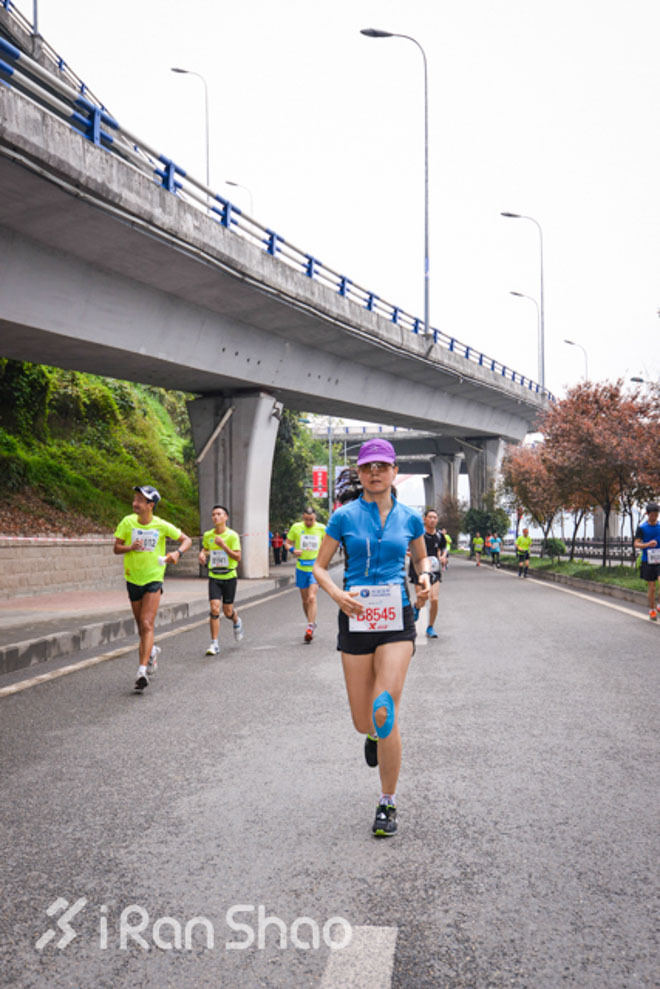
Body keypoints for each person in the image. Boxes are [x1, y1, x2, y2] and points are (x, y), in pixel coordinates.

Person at [313, 439, 431, 838]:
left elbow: (419, 558)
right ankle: (371, 734)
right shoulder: (344, 517)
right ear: (360, 473)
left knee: (385, 708)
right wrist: (336, 594)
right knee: (364, 719)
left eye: (382, 466)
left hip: (397, 619)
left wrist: (425, 579)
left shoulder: (410, 518)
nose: (375, 472)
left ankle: (387, 802)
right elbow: (319, 566)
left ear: (395, 471)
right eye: (367, 467)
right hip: (356, 620)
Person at [114, 485, 192, 690]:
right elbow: (116, 547)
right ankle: (152, 652)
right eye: (135, 498)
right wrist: (130, 547)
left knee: (147, 623)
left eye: (140, 500)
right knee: (141, 626)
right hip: (133, 579)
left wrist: (177, 554)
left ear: (151, 505)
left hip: (154, 579)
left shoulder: (161, 525)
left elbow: (186, 540)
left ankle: (141, 670)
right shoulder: (127, 522)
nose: (135, 503)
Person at [198, 504, 244, 654]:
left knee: (228, 611)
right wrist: (202, 553)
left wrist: (223, 545)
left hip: (229, 576)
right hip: (214, 576)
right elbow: (205, 548)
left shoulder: (232, 536)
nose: (215, 517)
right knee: (214, 607)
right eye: (213, 515)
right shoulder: (208, 535)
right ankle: (214, 643)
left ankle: (236, 620)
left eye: (219, 514)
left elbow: (238, 557)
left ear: (226, 517)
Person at [286, 507, 326, 642]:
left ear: (315, 518)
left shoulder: (321, 528)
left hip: (315, 567)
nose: (308, 522)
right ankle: (311, 621)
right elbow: (287, 543)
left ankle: (309, 627)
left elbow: (327, 545)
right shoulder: (296, 527)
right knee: (305, 600)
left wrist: (323, 560)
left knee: (312, 597)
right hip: (301, 567)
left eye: (311, 520)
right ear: (303, 518)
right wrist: (292, 549)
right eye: (306, 519)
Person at [409, 508, 446, 638]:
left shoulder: (439, 536)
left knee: (434, 599)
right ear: (424, 519)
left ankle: (430, 627)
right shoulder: (418, 535)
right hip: (418, 570)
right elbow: (408, 549)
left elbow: (443, 548)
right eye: (430, 517)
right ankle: (417, 607)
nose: (432, 519)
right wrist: (412, 555)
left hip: (434, 571)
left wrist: (443, 556)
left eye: (435, 517)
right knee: (422, 599)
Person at [634, 501, 660, 620]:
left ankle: (658, 605)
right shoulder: (642, 528)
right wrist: (648, 544)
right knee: (652, 586)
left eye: (656, 514)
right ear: (647, 514)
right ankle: (652, 609)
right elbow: (636, 544)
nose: (654, 516)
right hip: (647, 560)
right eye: (652, 514)